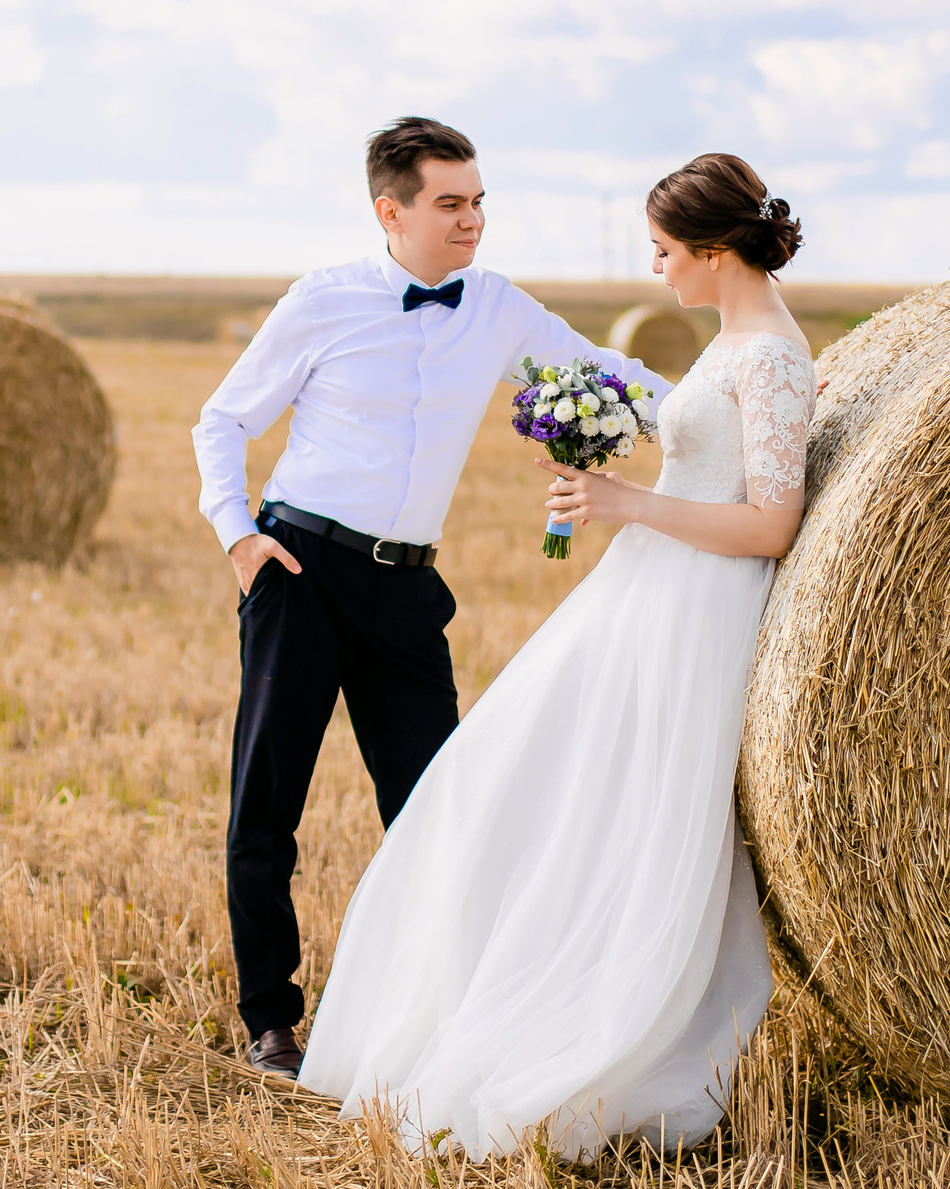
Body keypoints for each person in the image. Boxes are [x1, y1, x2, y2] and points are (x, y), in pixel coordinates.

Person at [299, 151, 814, 1161]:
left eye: (667, 253)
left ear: (715, 250)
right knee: (519, 791)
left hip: (698, 611)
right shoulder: (742, 342)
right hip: (652, 594)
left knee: (618, 816)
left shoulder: (769, 356)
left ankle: (599, 1031)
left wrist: (628, 504)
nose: (658, 273)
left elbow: (771, 526)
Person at [192, 116, 677, 1081]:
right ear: (392, 209)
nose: (473, 221)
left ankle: (439, 1010)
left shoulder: (498, 307)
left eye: (479, 201)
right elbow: (225, 417)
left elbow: (611, 375)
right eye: (451, 204)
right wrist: (239, 536)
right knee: (268, 808)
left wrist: (745, 404)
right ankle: (270, 1021)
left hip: (409, 591)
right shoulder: (323, 302)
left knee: (436, 810)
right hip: (301, 573)